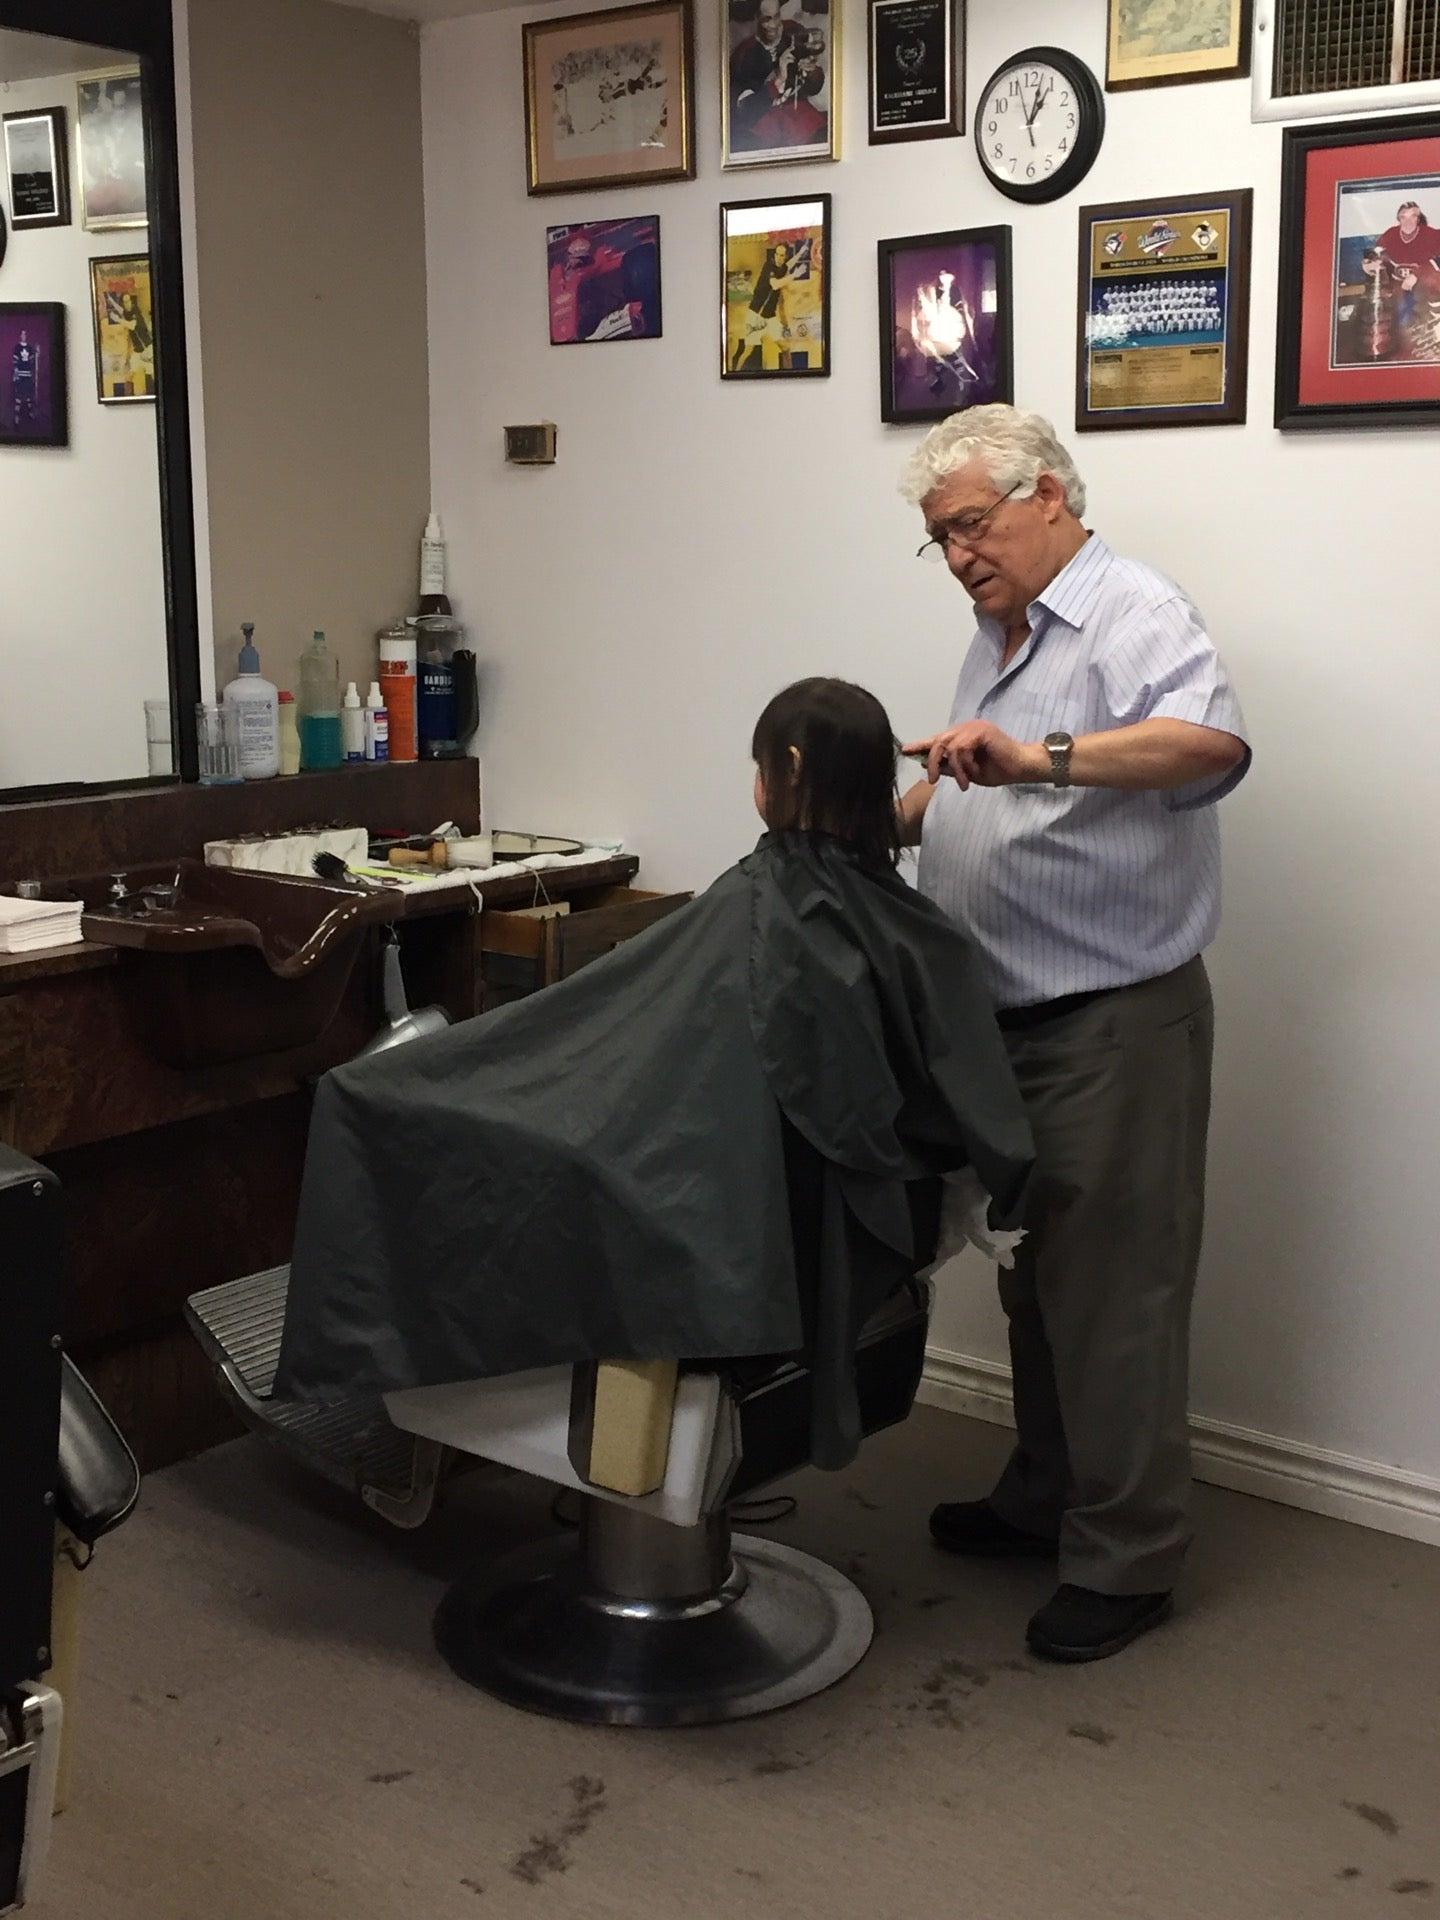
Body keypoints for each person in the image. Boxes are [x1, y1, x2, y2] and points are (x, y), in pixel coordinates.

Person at [275, 679, 1033, 1475]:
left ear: (791, 770)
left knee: (373, 1102)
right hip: (855, 1222)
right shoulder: (903, 920)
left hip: (739, 1223)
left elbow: (611, 1047)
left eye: (760, 765)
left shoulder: (768, 911)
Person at [898, 404, 1250, 1664]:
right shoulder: (997, 636)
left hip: (1113, 1022)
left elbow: (1207, 746)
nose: (958, 557)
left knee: (1117, 1299)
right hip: (1006, 1024)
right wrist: (874, 815)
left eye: (970, 527)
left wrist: (1038, 756)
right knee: (1040, 1286)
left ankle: (1128, 1557)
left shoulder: (1133, 609)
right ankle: (1045, 1496)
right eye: (939, 540)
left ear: (1048, 494)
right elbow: (969, 778)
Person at [730, 0, 826, 150]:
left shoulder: (795, 31)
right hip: (763, 127)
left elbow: (815, 87)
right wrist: (779, 78)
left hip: (800, 118)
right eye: (766, 19)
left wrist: (811, 71)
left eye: (776, 16)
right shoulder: (744, 54)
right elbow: (743, 111)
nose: (774, 25)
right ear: (756, 17)